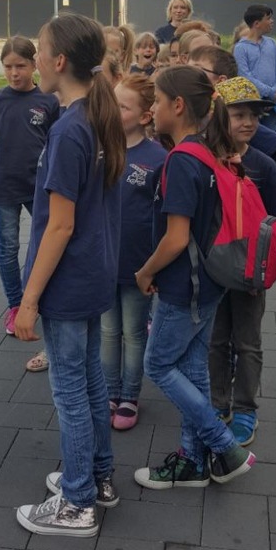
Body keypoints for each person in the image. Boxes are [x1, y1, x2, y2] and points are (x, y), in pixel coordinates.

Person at [14, 13, 126, 537]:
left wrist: (29, 300)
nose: (34, 59)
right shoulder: (97, 119)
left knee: (70, 393)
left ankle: (78, 502)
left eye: (38, 50)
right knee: (90, 382)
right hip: (94, 274)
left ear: (58, 62)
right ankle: (97, 478)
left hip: (68, 280)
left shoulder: (68, 130)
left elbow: (59, 226)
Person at [133, 65, 256, 490]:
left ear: (178, 106)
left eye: (159, 101)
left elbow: (175, 239)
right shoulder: (206, 151)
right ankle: (192, 462)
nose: (153, 107)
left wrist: (145, 271)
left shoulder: (181, 160)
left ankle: (225, 446)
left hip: (184, 286)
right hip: (210, 283)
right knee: (192, 369)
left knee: (158, 364)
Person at [209, 77, 276, 444]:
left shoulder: (263, 166)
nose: (247, 122)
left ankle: (245, 409)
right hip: (214, 270)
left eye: (254, 116)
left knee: (247, 342)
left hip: (250, 274)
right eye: (238, 114)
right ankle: (217, 403)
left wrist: (264, 264)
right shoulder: (206, 160)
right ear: (218, 117)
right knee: (215, 341)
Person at [0, 36, 59, 335]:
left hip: (39, 186)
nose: (14, 73)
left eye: (20, 66)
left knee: (43, 244)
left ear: (34, 64)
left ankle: (36, 298)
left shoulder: (49, 102)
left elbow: (56, 145)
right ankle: (15, 304)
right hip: (2, 187)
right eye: (8, 66)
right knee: (8, 247)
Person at [101, 75, 166, 430]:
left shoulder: (158, 158)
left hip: (139, 265)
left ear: (145, 116)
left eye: (122, 106)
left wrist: (156, 266)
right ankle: (110, 391)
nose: (113, 111)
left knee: (134, 331)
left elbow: (164, 217)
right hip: (105, 260)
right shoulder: (98, 149)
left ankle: (130, 395)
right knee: (108, 331)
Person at [188, 43, 276, 174]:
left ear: (221, 80)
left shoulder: (232, 118)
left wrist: (251, 180)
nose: (188, 75)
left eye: (196, 70)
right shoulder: (197, 109)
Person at [233, 4, 276, 132]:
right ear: (257, 23)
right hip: (253, 102)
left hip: (273, 102)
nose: (272, 21)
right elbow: (245, 75)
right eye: (268, 18)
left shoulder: (272, 43)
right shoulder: (241, 48)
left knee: (272, 137)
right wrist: (269, 92)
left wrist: (275, 91)